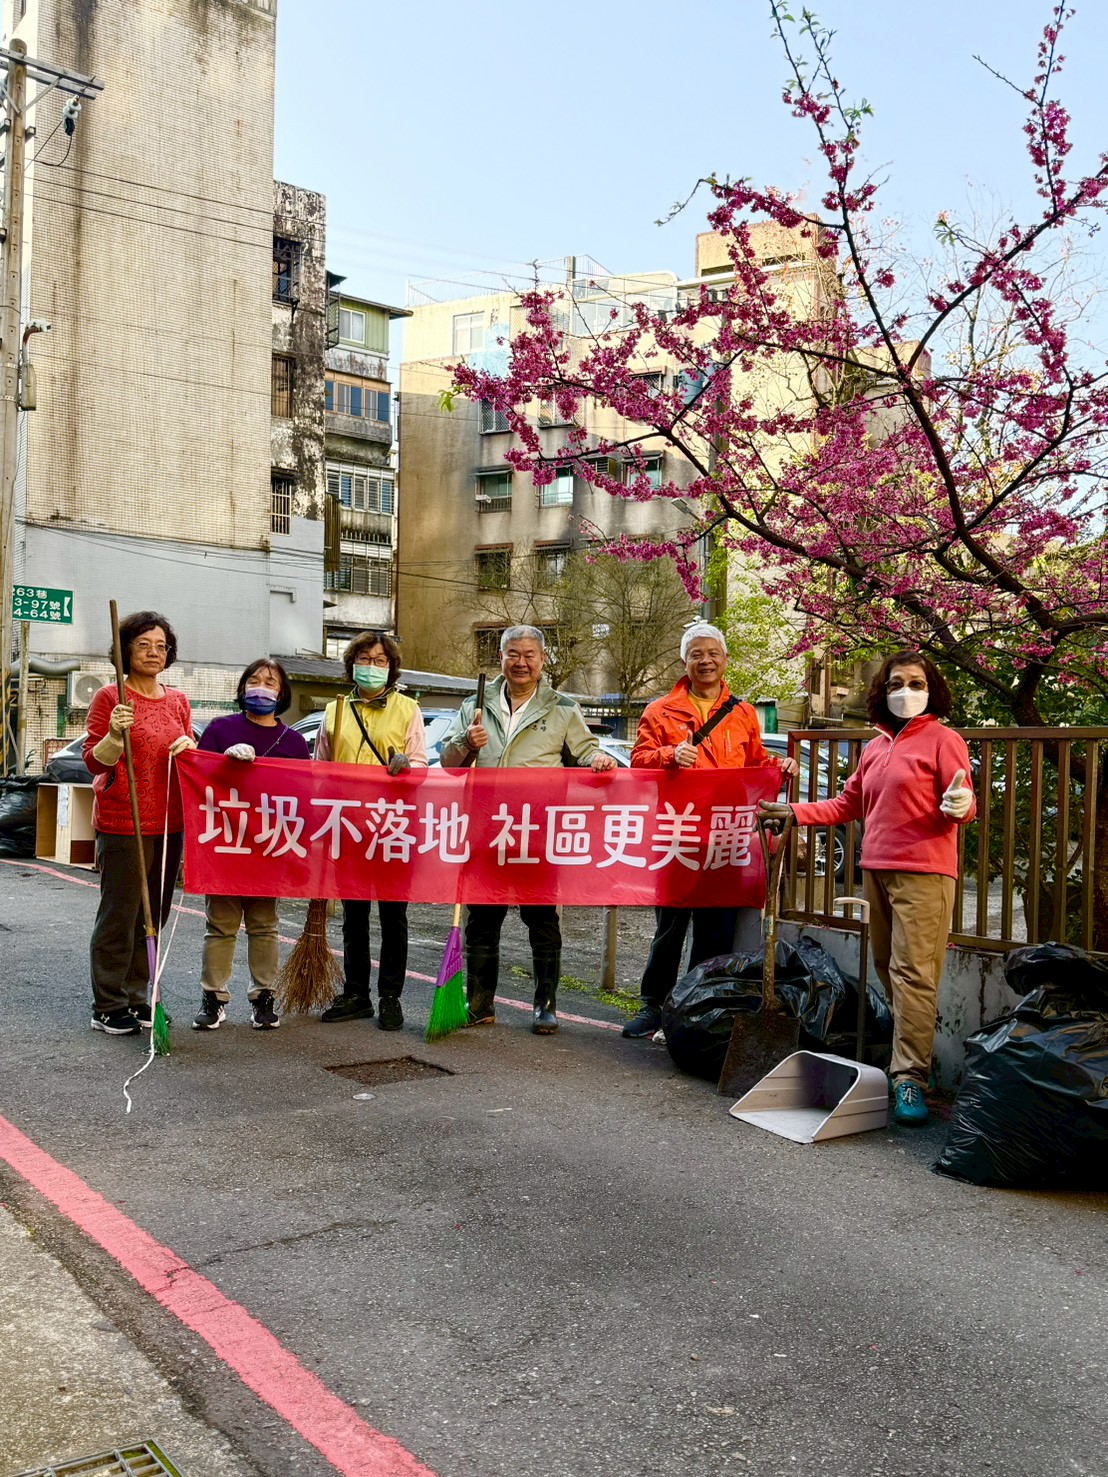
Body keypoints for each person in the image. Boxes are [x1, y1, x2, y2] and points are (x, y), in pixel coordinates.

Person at [759, 650, 976, 1126]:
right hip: (875, 868)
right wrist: (794, 813)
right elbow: (848, 803)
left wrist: (961, 803)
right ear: (883, 691)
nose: (907, 691)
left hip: (925, 872)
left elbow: (963, 800)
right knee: (889, 968)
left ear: (931, 689)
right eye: (897, 683)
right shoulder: (876, 747)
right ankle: (910, 1061)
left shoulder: (944, 739)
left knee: (914, 974)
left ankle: (910, 1078)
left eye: (916, 683)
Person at [622, 622, 799, 1040]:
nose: (705, 661)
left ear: (724, 660)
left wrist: (780, 768)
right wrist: (669, 754)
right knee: (669, 926)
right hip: (677, 833)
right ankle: (654, 1005)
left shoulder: (742, 712)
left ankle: (698, 1005)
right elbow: (638, 761)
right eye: (696, 654)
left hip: (724, 834)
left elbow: (755, 762)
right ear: (685, 662)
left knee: (714, 929)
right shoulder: (659, 711)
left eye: (712, 654)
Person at [440, 624, 617, 1034]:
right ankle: (480, 1003)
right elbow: (449, 763)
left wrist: (600, 761)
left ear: (542, 660)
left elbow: (586, 751)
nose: (521, 663)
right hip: (486, 832)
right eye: (513, 654)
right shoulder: (475, 705)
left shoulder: (562, 708)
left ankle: (546, 1004)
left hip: (538, 834)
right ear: (500, 658)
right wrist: (467, 743)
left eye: (529, 655)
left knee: (542, 921)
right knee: (482, 921)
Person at [83, 611, 197, 1035]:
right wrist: (114, 735)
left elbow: (187, 754)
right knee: (121, 912)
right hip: (123, 820)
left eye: (161, 646)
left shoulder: (178, 700)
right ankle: (108, 1003)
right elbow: (94, 760)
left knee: (155, 914)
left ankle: (138, 995)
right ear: (125, 650)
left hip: (170, 823)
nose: (154, 652)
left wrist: (189, 747)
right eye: (144, 644)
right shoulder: (111, 697)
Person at [191, 659, 311, 1031]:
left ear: (282, 692)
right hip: (225, 843)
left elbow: (303, 796)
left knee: (264, 925)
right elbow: (198, 778)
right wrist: (223, 763)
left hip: (269, 846)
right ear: (243, 688)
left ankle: (264, 997)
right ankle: (214, 998)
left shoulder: (293, 742)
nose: (262, 686)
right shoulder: (220, 729)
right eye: (255, 680)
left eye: (270, 681)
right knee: (221, 925)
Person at [315, 632, 427, 1030]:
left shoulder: (408, 709)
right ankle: (356, 993)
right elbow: (320, 771)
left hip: (393, 827)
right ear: (351, 664)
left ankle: (391, 997)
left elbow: (420, 766)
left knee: (394, 915)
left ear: (392, 668)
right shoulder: (335, 710)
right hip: (348, 828)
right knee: (354, 915)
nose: (373, 666)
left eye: (381, 660)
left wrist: (406, 765)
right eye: (365, 658)